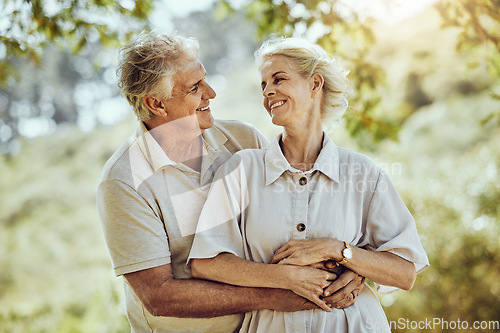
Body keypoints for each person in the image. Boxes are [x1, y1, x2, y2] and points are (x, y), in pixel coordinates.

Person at [97, 31, 365, 332]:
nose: (211, 93)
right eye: (195, 88)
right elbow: (159, 296)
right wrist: (273, 295)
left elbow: (305, 209)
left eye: (205, 79)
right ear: (156, 104)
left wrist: (352, 265)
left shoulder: (243, 139)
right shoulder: (122, 181)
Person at [189, 37, 430, 332]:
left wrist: (339, 250)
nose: (268, 92)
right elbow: (205, 262)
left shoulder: (363, 173)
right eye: (263, 85)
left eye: (279, 79)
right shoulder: (242, 169)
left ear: (315, 84)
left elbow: (405, 273)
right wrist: (286, 278)